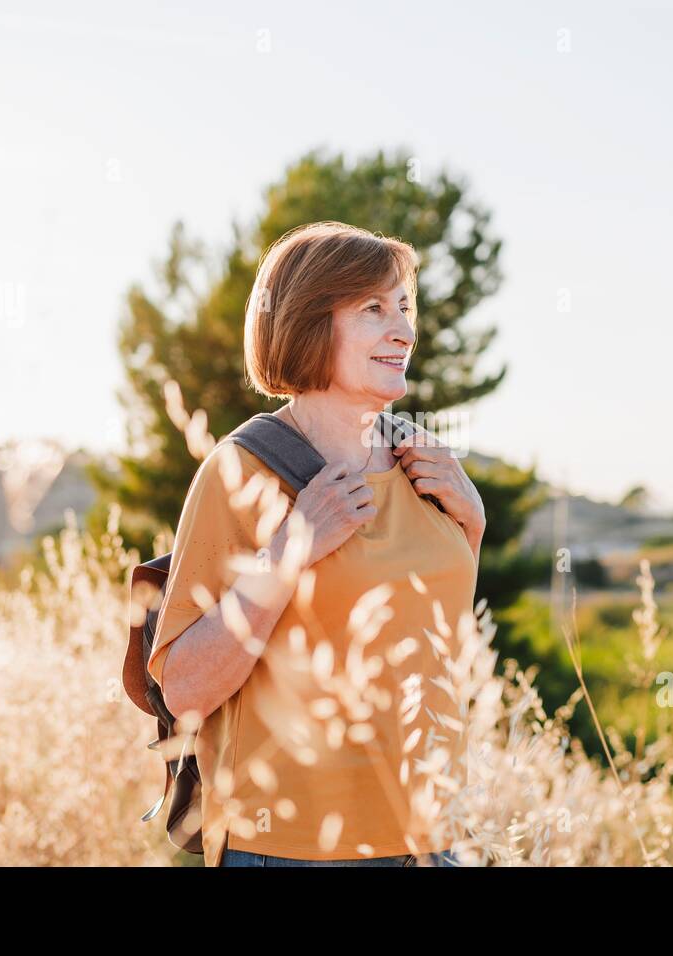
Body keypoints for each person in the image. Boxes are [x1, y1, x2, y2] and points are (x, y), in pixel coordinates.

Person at [145, 221, 486, 867]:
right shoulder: (241, 471)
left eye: (405, 308)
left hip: (432, 836)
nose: (404, 332)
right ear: (305, 322)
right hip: (293, 847)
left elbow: (436, 643)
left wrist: (471, 526)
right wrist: (291, 550)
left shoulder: (427, 465)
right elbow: (183, 690)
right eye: (373, 309)